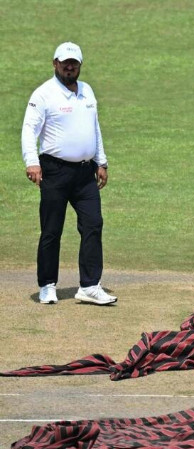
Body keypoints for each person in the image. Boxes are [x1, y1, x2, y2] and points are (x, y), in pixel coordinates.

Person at [21, 42, 117, 305]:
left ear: (80, 65)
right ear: (55, 64)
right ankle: (47, 285)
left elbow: (94, 128)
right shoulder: (43, 94)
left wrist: (102, 162)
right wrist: (32, 162)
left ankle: (89, 285)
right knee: (52, 229)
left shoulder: (87, 91)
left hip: (85, 172)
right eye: (65, 62)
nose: (70, 66)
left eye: (74, 62)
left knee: (93, 224)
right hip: (54, 170)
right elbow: (29, 130)